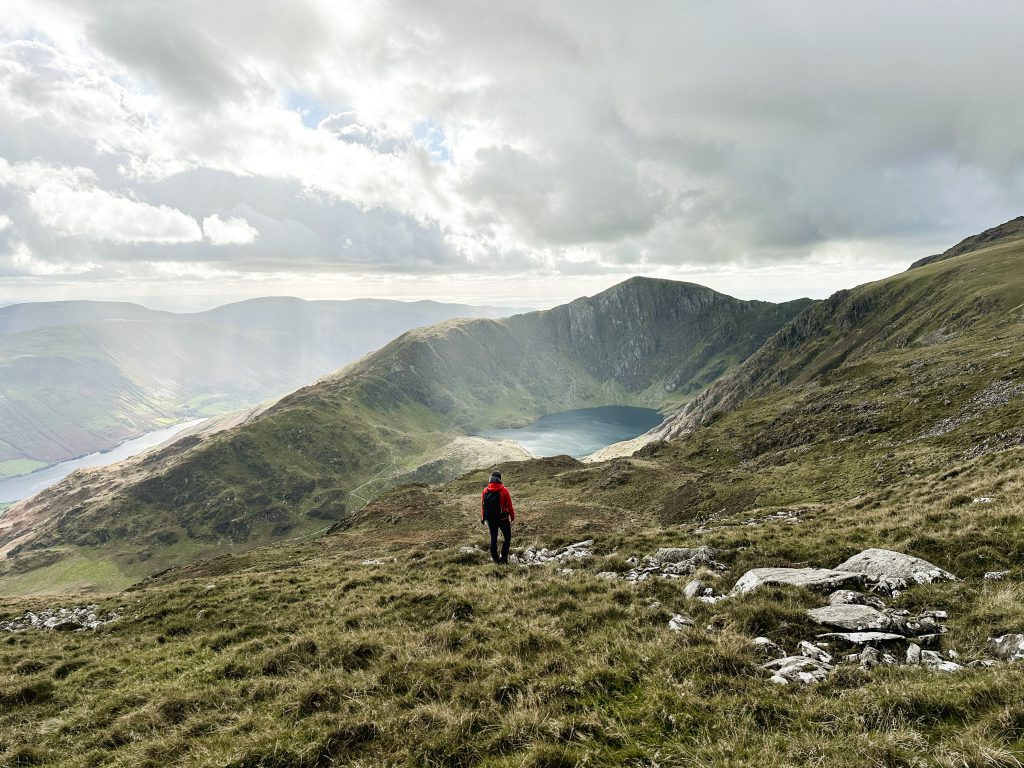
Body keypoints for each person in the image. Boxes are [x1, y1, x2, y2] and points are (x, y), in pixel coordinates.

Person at [480, 470, 515, 564]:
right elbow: (509, 506)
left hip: (491, 520)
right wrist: (512, 517)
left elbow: (483, 506)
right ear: (500, 479)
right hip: (503, 519)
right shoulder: (504, 490)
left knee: (493, 539)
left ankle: (496, 560)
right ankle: (504, 558)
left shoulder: (485, 491)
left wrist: (484, 518)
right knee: (507, 538)